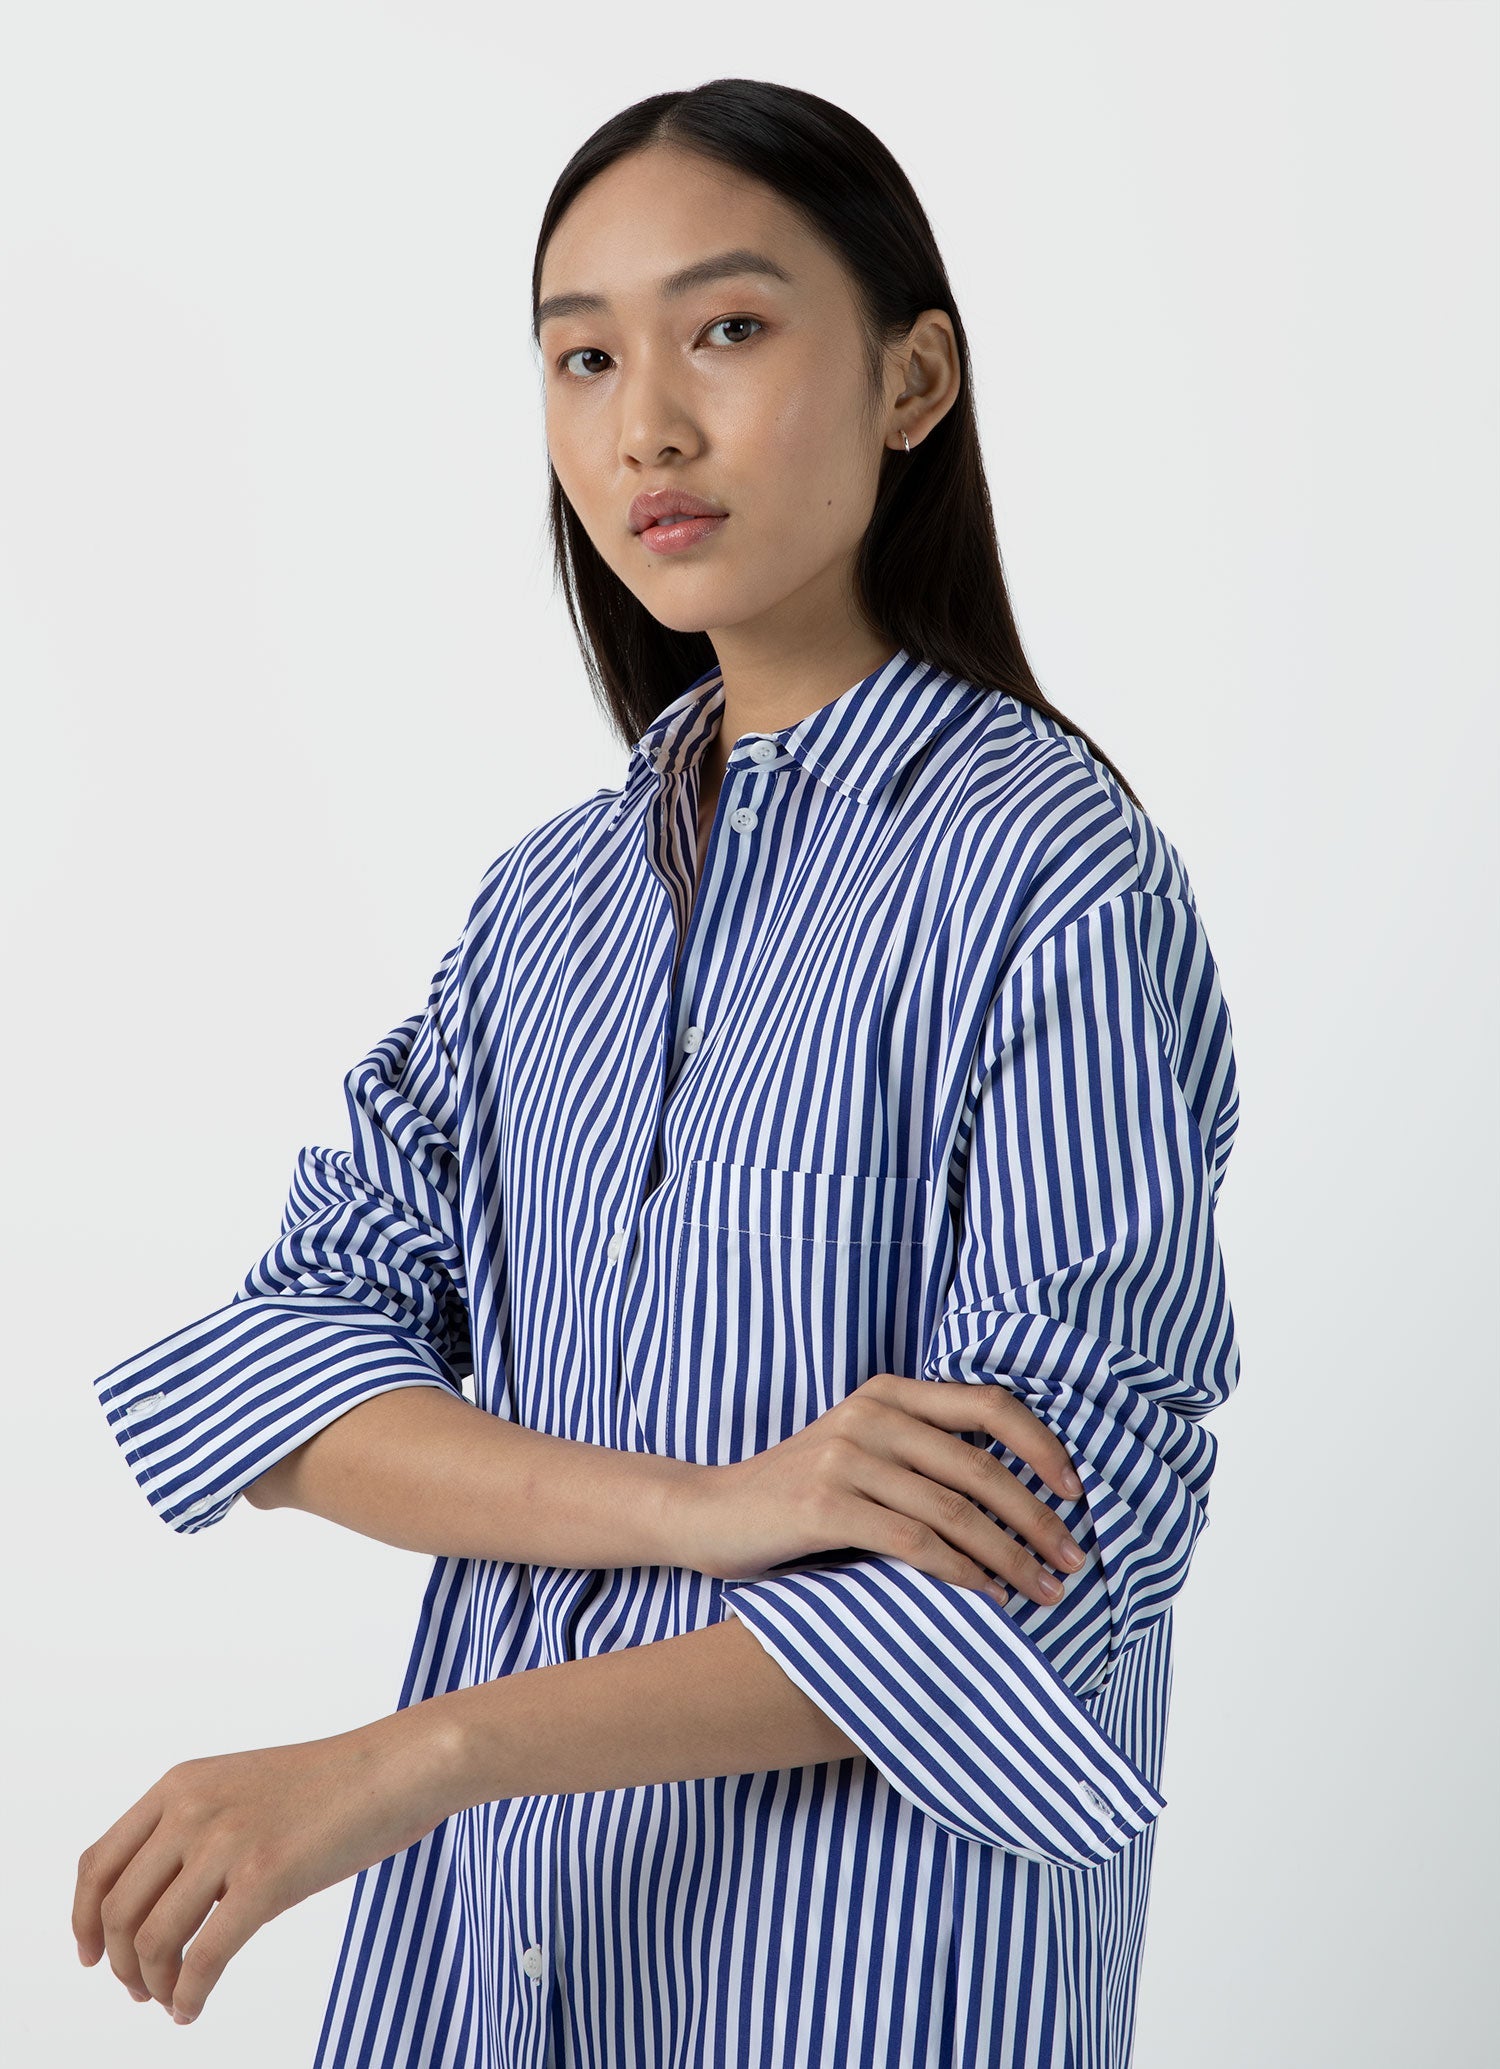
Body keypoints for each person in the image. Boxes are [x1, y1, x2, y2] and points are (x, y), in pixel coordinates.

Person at [73, 77, 1242, 2068]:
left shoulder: (1046, 874)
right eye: (584, 357)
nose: (647, 430)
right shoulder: (545, 907)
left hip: (861, 1981)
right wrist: (707, 1506)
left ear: (913, 379)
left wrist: (418, 1757)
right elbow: (288, 1374)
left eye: (730, 329)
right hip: (495, 1979)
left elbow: (1040, 1558)